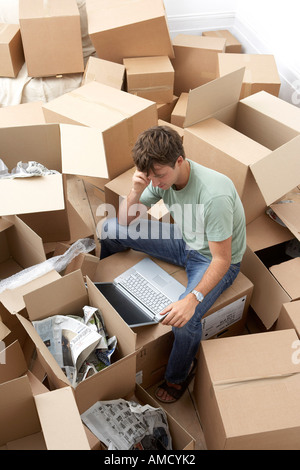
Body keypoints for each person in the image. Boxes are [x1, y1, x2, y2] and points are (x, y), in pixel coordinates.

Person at [100, 125, 246, 403]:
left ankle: (178, 375)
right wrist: (135, 190)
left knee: (184, 321)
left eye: (160, 176)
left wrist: (193, 298)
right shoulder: (159, 179)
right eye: (149, 177)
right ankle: (105, 280)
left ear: (179, 161)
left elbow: (222, 259)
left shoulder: (213, 195)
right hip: (184, 240)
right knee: (108, 229)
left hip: (211, 257)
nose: (155, 183)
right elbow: (123, 222)